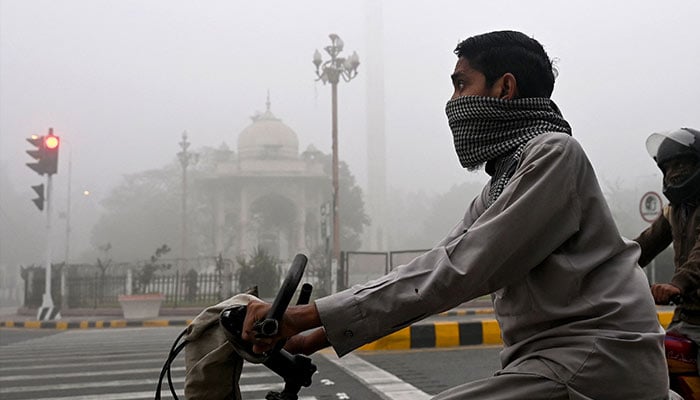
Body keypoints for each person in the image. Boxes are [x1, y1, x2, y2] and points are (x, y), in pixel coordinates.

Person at [242, 30, 669, 399]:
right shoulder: (504, 178)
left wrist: (307, 314)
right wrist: (316, 335)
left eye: (461, 84)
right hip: (545, 360)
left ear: (505, 88)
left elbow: (463, 268)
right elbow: (437, 264)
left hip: (594, 361)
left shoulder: (554, 154)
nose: (453, 101)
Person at [634, 127, 700, 371]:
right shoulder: (673, 211)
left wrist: (677, 283)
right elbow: (641, 246)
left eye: (681, 165)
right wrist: (601, 266)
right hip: (685, 318)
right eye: (668, 168)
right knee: (656, 367)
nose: (673, 174)